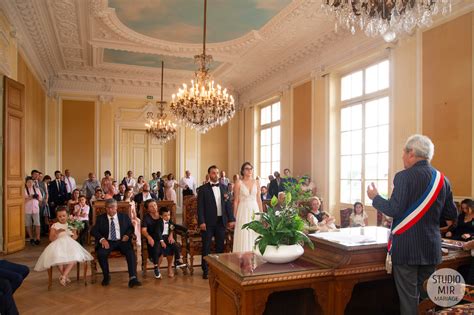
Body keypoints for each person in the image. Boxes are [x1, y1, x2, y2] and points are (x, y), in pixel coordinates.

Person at [367, 134, 458, 315]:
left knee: (409, 300)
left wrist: (375, 198)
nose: (402, 156)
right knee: (428, 300)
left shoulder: (403, 177)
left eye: (403, 152)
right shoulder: (443, 180)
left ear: (411, 153)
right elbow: (451, 216)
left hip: (407, 249)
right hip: (431, 248)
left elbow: (393, 209)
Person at [34, 206, 93, 286]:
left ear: (68, 215)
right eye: (59, 216)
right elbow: (51, 239)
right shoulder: (55, 225)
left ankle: (64, 276)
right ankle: (64, 276)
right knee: (58, 257)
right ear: (57, 217)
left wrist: (75, 231)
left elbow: (74, 238)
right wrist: (57, 232)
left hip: (70, 244)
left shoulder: (71, 224)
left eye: (64, 216)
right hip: (58, 244)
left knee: (75, 257)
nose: (62, 218)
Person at [90, 198, 141, 288]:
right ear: (105, 208)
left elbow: (130, 228)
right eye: (108, 208)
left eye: (112, 207)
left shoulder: (124, 217)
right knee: (101, 253)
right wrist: (102, 239)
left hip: (122, 240)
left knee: (130, 252)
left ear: (116, 207)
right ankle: (106, 276)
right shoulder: (101, 218)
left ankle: (133, 278)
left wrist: (127, 235)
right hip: (108, 241)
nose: (110, 209)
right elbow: (93, 230)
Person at [198, 165, 235, 279]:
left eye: (217, 173)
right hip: (208, 223)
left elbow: (228, 205)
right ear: (209, 175)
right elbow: (200, 207)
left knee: (220, 246)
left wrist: (231, 219)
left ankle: (218, 268)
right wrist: (202, 222)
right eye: (213, 173)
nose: (216, 175)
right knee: (207, 246)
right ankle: (205, 270)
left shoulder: (224, 187)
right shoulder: (203, 189)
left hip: (221, 222)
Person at [233, 162, 262, 253]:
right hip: (243, 210)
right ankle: (242, 258)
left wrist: (262, 214)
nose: (249, 170)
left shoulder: (256, 182)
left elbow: (259, 199)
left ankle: (256, 255)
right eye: (247, 168)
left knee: (255, 232)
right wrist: (234, 216)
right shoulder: (238, 183)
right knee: (244, 232)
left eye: (251, 168)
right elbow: (236, 200)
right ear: (242, 171)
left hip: (255, 209)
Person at [158, 207, 186, 277]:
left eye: (169, 215)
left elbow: (174, 226)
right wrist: (161, 241)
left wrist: (186, 230)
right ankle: (157, 268)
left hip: (167, 238)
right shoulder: (158, 223)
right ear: (161, 216)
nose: (168, 217)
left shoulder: (170, 221)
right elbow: (158, 233)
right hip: (161, 238)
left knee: (175, 245)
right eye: (165, 215)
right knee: (163, 248)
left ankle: (177, 260)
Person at [24, 176, 42, 245]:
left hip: (36, 209)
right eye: (28, 182)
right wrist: (30, 197)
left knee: (37, 224)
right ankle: (31, 238)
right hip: (27, 209)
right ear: (25, 183)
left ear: (33, 183)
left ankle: (38, 238)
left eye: (31, 182)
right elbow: (21, 201)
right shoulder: (23, 190)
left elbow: (40, 199)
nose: (30, 183)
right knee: (28, 224)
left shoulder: (37, 190)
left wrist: (37, 198)